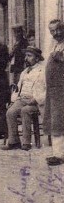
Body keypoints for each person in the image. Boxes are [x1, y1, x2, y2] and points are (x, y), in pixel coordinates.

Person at [2, 46, 45, 151]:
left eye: (29, 56)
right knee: (10, 112)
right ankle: (14, 141)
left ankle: (26, 142)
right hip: (22, 99)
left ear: (37, 58)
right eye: (26, 55)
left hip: (35, 101)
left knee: (25, 111)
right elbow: (18, 88)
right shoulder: (24, 72)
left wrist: (36, 99)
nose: (26, 58)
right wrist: (14, 100)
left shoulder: (43, 71)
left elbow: (46, 90)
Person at [43, 19, 64, 166]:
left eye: (57, 30)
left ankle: (59, 154)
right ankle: (58, 153)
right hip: (53, 89)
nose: (55, 33)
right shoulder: (52, 44)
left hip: (62, 87)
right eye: (52, 31)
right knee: (55, 121)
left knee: (59, 120)